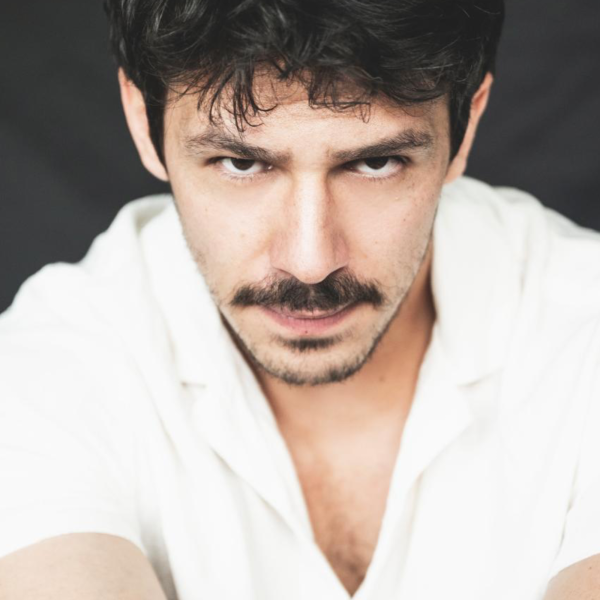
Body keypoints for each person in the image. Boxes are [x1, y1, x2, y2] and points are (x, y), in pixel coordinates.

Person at [0, 0, 599, 598]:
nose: (310, 261)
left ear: (466, 122)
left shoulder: (583, 326)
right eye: (240, 163)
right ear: (141, 119)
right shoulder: (50, 369)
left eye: (375, 162)